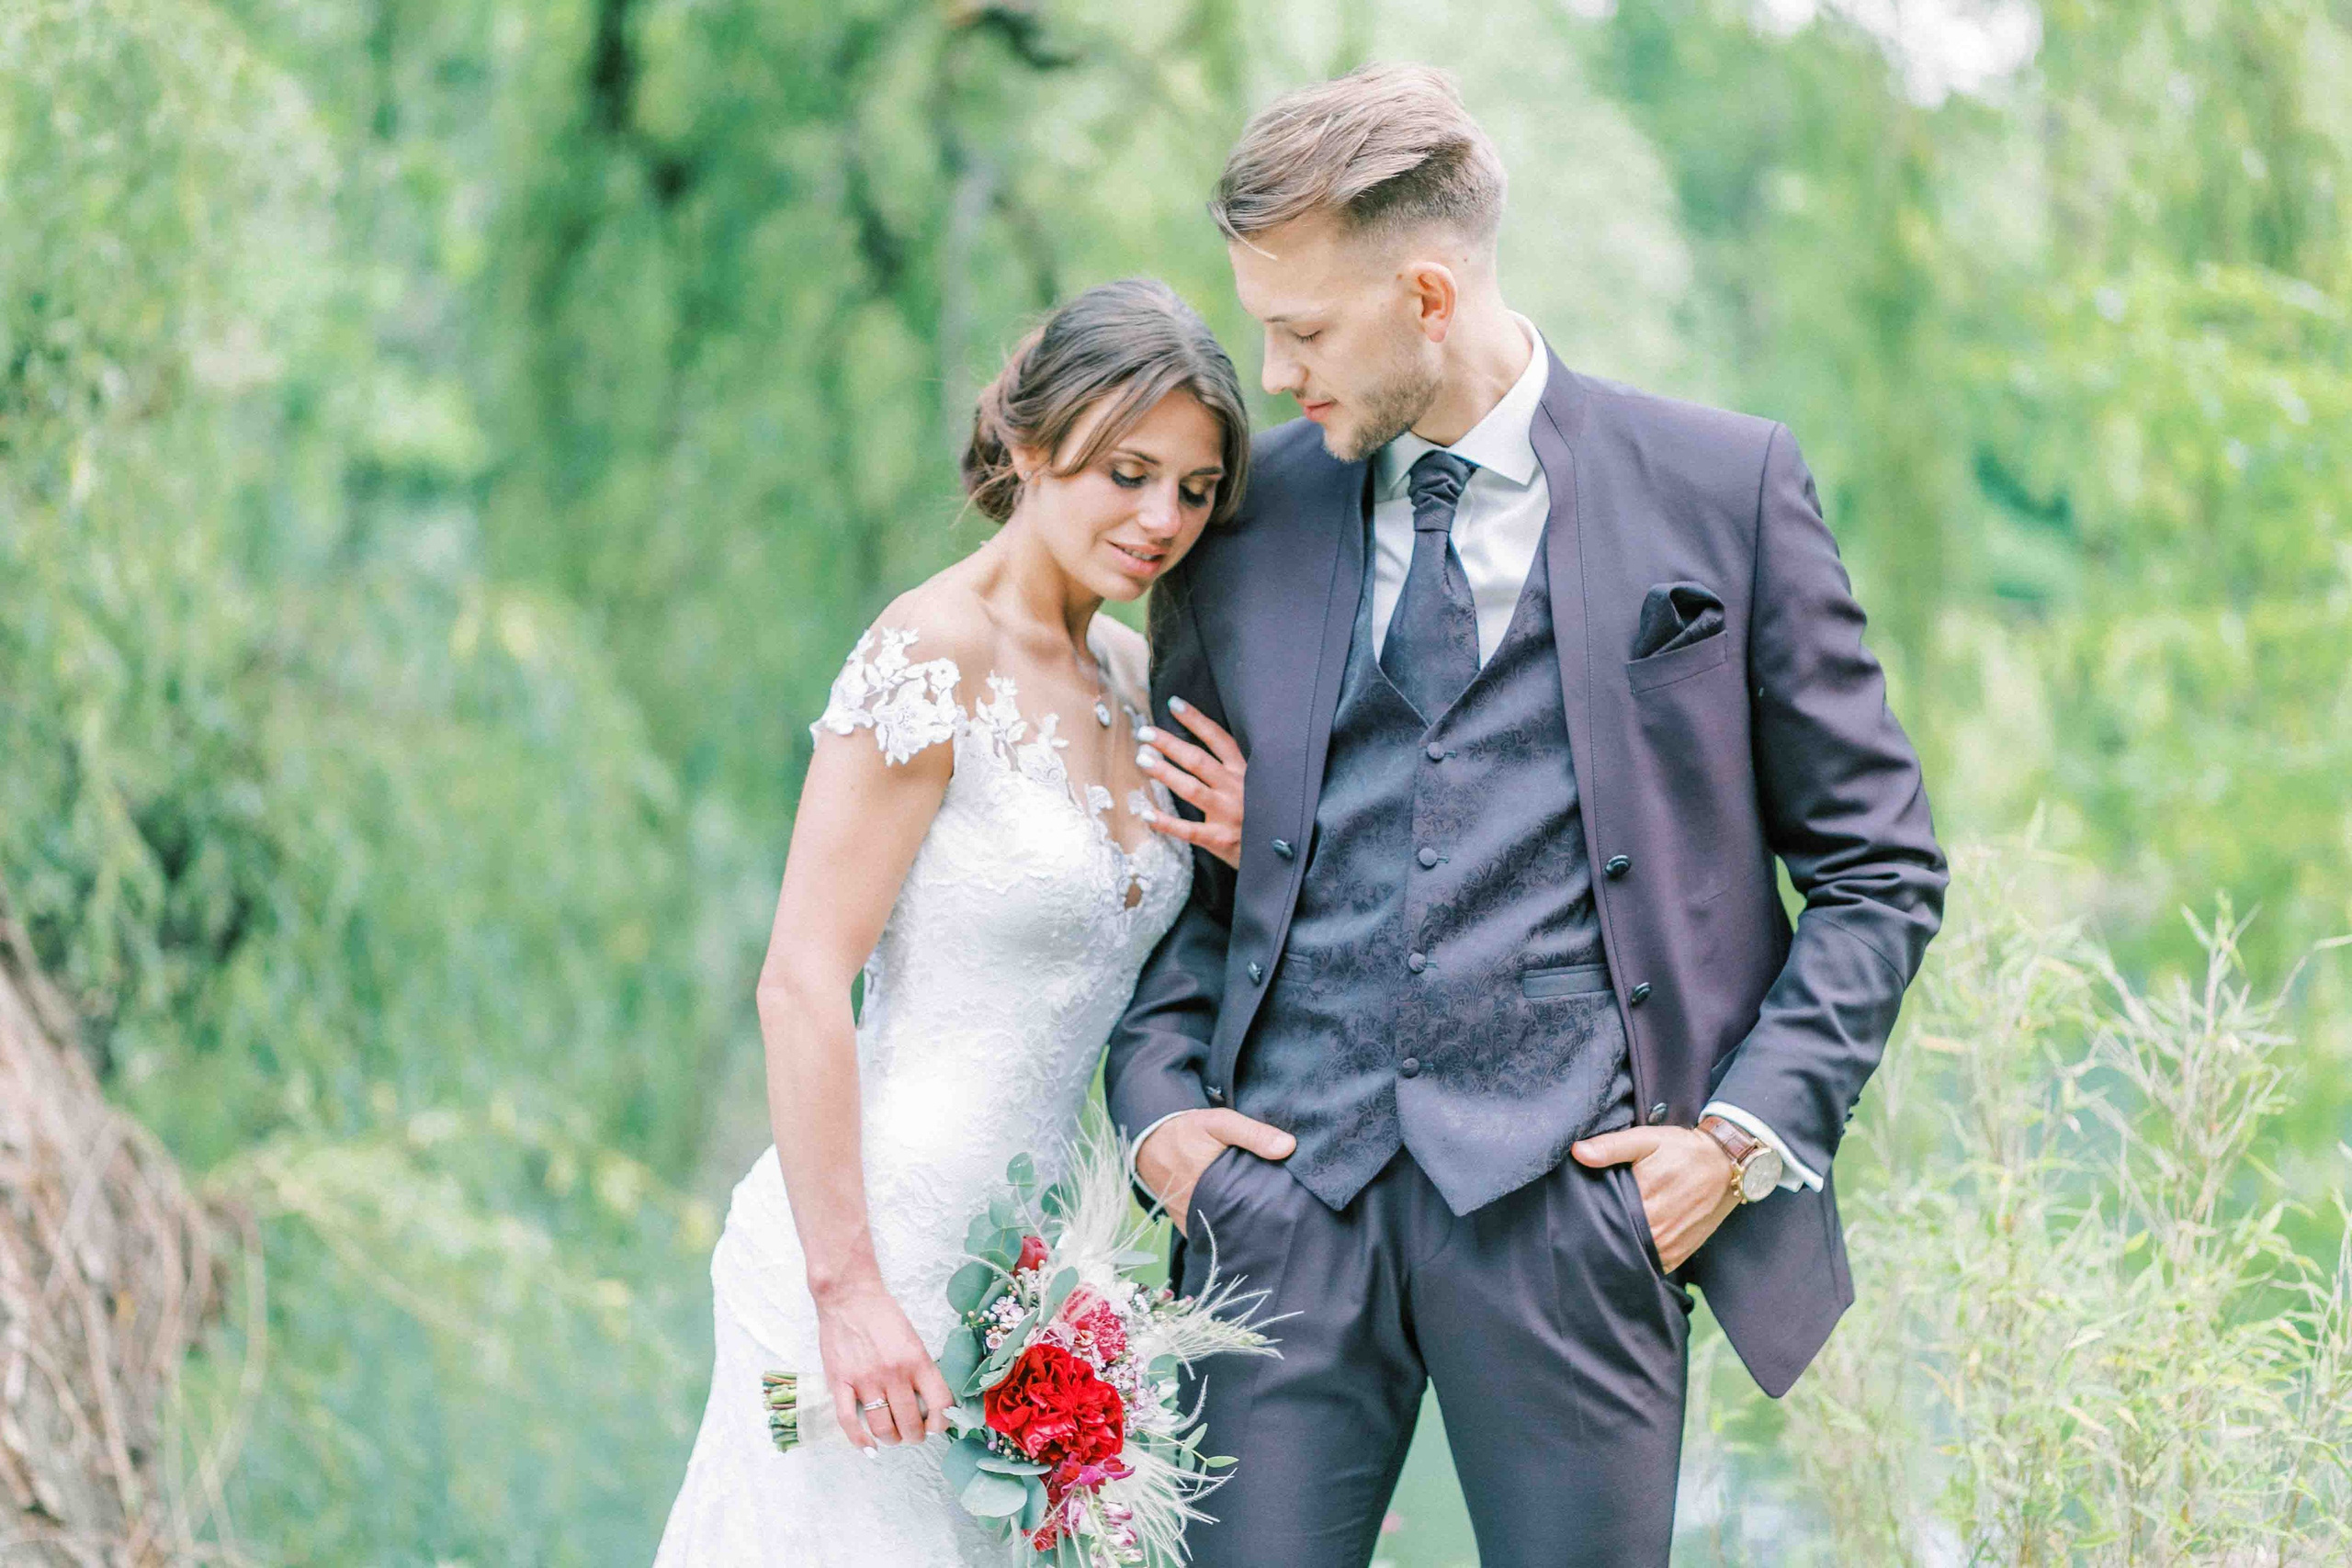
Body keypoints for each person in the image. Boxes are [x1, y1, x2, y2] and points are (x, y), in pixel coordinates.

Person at [1107, 64, 1949, 1566]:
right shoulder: (1243, 529)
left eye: (1302, 329)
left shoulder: (1719, 490)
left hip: (1580, 1218)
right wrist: (1163, 1111)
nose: (1273, 367)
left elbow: (1879, 871)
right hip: (1281, 1212)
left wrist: (1739, 1141)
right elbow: (1183, 881)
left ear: (1427, 292)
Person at [654, 277, 1272, 1564]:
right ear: (1033, 445)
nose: (1163, 519)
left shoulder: (1134, 680)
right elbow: (801, 983)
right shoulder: (931, 652)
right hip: (868, 1259)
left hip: (1035, 1288)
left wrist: (1240, 848)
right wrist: (849, 1293)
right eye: (1128, 472)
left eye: (1196, 489)